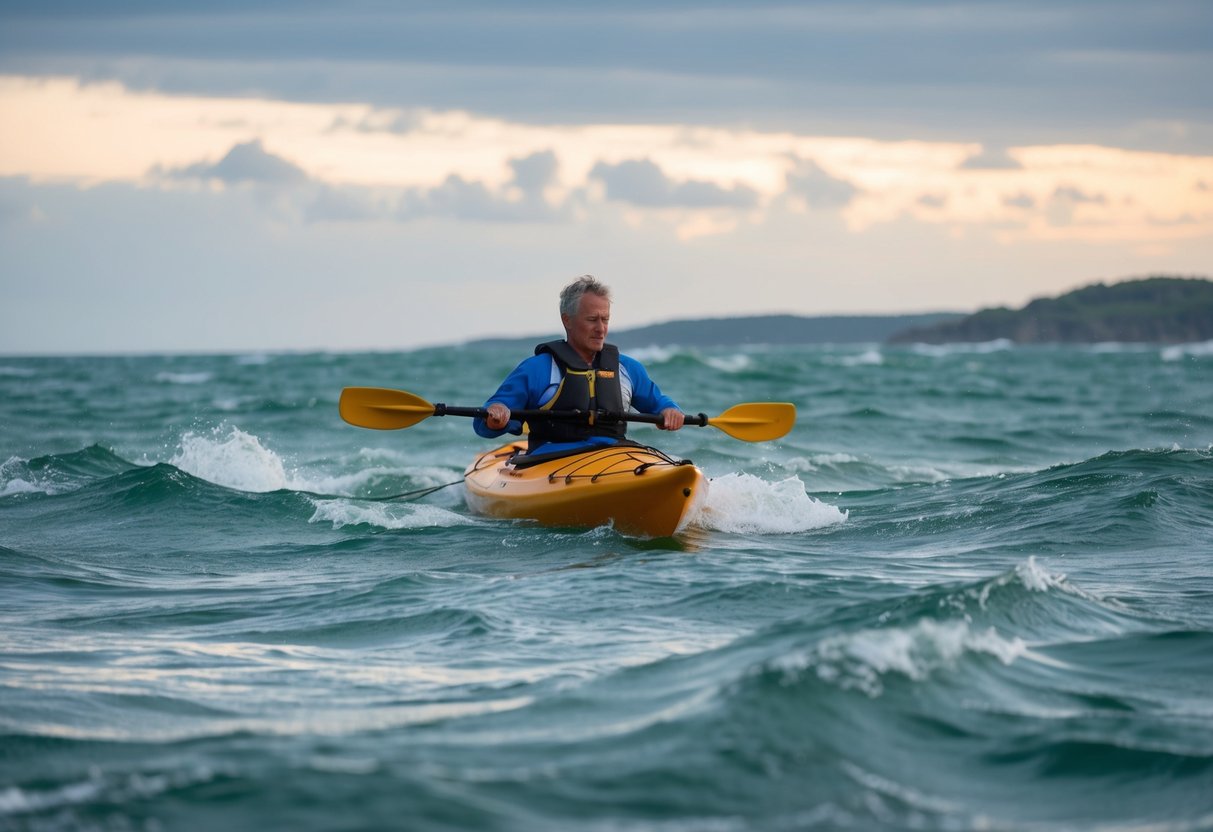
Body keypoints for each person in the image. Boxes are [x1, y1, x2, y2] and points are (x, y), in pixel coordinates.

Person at [474, 275, 685, 456]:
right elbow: (486, 421)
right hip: (551, 459)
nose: (600, 329)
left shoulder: (627, 368)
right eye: (592, 319)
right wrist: (496, 417)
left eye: (605, 319)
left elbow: (658, 402)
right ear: (567, 320)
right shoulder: (538, 369)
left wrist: (670, 411)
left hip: (613, 456)